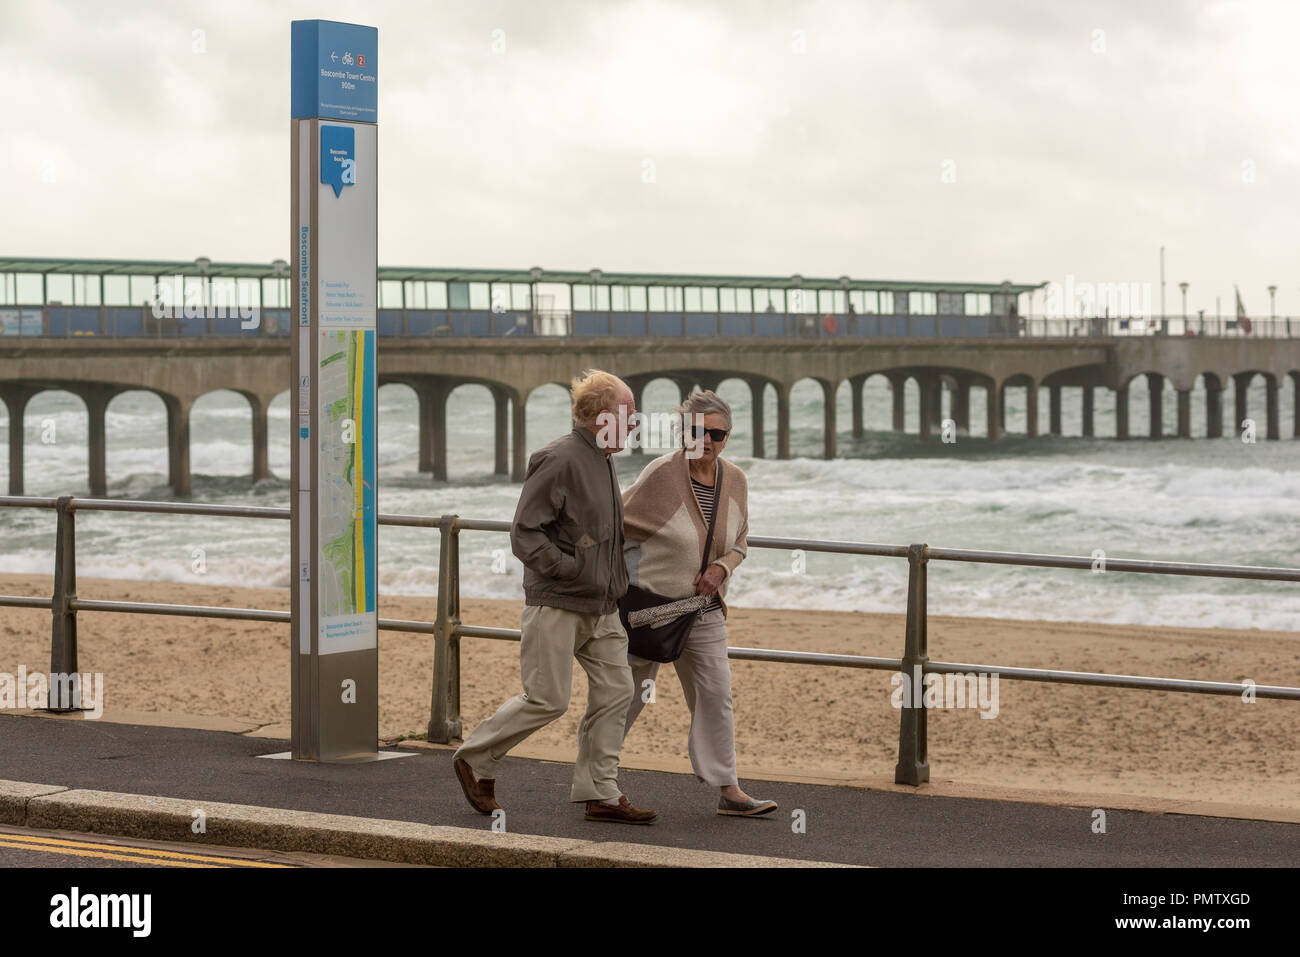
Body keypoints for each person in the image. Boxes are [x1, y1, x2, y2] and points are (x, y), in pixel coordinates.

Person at [452, 369, 656, 825]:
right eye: (630, 416)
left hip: (603, 607)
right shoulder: (559, 458)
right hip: (558, 602)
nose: (635, 426)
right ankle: (476, 758)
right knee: (548, 699)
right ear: (603, 417)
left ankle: (600, 792)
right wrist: (571, 570)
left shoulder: (603, 459)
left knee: (617, 690)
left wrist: (612, 580)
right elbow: (525, 533)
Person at [620, 390, 777, 817]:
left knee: (715, 695)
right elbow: (616, 524)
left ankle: (729, 789)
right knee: (627, 696)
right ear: (681, 431)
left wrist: (722, 569)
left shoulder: (737, 480)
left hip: (704, 612)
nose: (705, 440)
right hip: (651, 610)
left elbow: (740, 541)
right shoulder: (661, 476)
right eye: (695, 430)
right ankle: (596, 777)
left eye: (716, 433)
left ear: (727, 437)